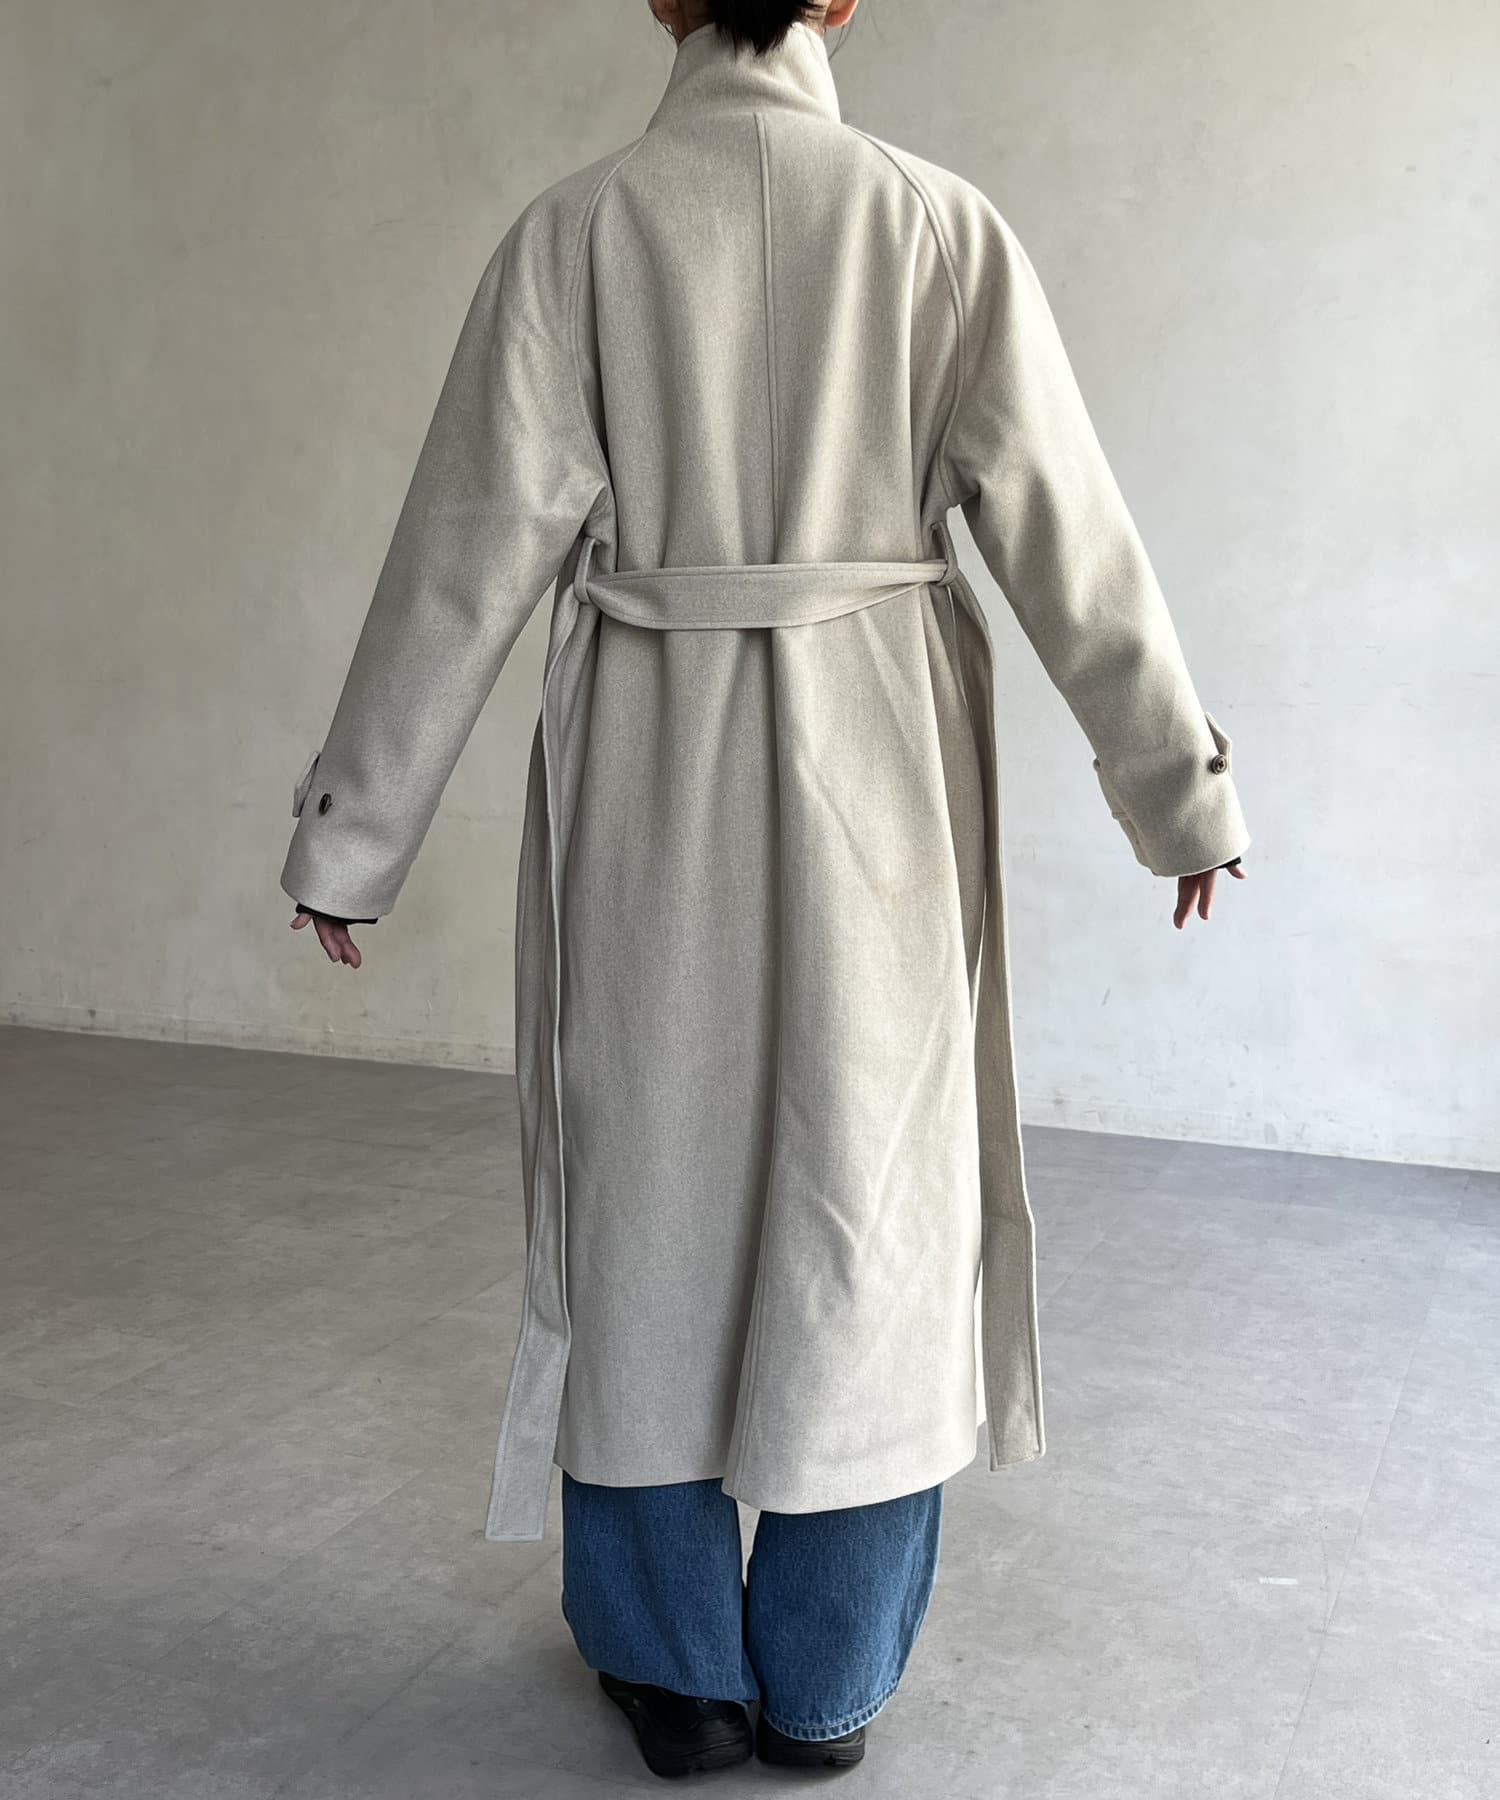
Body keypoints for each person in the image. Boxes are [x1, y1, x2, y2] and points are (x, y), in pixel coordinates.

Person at [282, 0, 1249, 1778]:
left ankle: (673, 1674)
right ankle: (825, 1682)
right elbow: (1068, 529)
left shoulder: (578, 232)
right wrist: (1181, 792)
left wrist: (356, 831)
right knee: (872, 1204)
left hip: (650, 770)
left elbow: (463, 553)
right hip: (881, 768)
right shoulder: (938, 227)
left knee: (645, 1200)